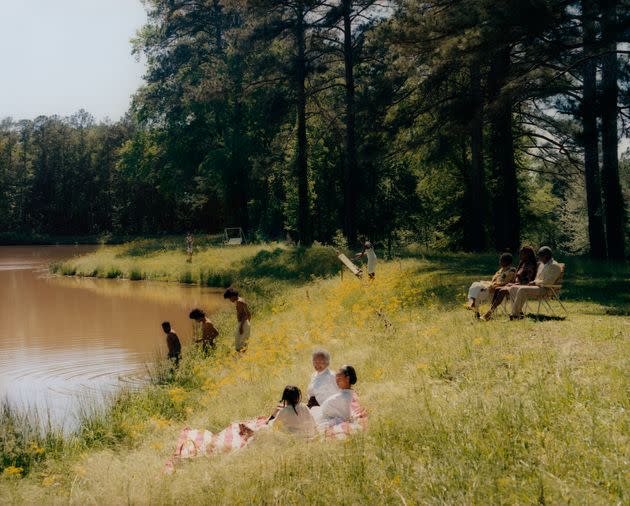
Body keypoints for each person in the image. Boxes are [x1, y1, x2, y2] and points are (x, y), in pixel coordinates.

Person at [482, 246, 537, 320]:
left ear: (528, 255)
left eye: (522, 254)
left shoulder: (530, 265)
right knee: (498, 288)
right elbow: (517, 277)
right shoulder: (522, 264)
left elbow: (527, 281)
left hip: (524, 286)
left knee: (501, 290)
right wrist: (512, 283)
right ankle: (491, 312)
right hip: (516, 285)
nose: (520, 255)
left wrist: (514, 284)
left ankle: (490, 312)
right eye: (520, 253)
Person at [508, 246, 562, 320]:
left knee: (522, 290)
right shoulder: (542, 264)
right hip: (538, 287)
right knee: (513, 288)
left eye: (540, 256)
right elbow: (538, 279)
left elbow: (548, 281)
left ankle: (514, 314)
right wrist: (534, 282)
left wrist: (534, 282)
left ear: (546, 256)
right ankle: (519, 312)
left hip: (546, 289)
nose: (539, 258)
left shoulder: (554, 266)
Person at [466, 253, 516, 317]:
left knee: (476, 287)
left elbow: (505, 282)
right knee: (475, 286)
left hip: (497, 291)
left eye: (501, 260)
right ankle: (475, 310)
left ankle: (471, 302)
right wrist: (487, 283)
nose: (499, 262)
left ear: (507, 262)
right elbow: (494, 280)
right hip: (490, 288)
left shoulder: (511, 271)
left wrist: (492, 285)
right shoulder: (501, 270)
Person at [224, 287, 251, 352]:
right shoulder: (241, 299)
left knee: (239, 345)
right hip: (245, 323)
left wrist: (241, 326)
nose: (230, 300)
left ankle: (239, 359)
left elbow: (245, 315)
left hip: (243, 323)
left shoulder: (239, 302)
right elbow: (249, 314)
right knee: (243, 343)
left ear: (233, 296)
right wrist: (248, 323)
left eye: (230, 298)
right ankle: (242, 359)